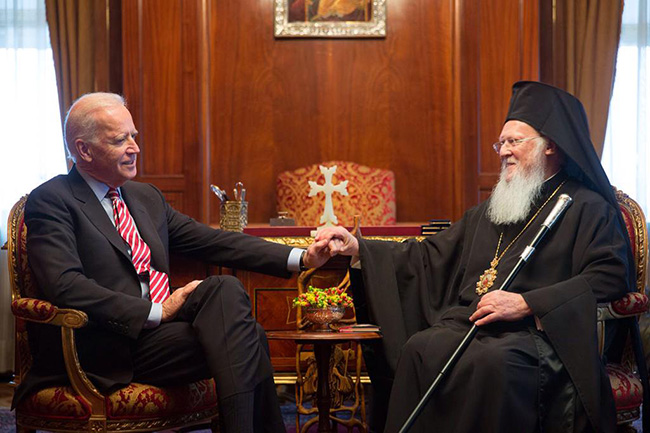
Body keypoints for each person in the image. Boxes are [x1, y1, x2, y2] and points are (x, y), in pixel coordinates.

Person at [304, 81, 648, 433]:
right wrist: (358, 247)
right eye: (501, 143)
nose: (504, 152)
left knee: (491, 363)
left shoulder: (589, 207)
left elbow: (609, 276)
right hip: (475, 325)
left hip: (540, 337)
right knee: (421, 349)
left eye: (514, 141)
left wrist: (527, 303)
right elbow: (429, 255)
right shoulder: (495, 208)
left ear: (551, 146)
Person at [13, 92, 328, 433]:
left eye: (134, 136)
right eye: (120, 140)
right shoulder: (53, 199)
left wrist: (302, 257)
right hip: (102, 345)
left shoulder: (145, 197)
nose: (134, 148)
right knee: (249, 336)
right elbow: (65, 286)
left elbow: (213, 241)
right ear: (84, 150)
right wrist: (156, 312)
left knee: (226, 293)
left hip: (157, 339)